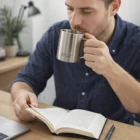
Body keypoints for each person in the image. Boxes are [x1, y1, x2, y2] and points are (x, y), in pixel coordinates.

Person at [10, 0, 140, 124]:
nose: (74, 21)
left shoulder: (135, 42)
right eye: (70, 8)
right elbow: (25, 79)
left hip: (114, 132)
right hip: (60, 130)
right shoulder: (55, 34)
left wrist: (110, 68)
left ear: (114, 7)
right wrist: (21, 95)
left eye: (86, 11)